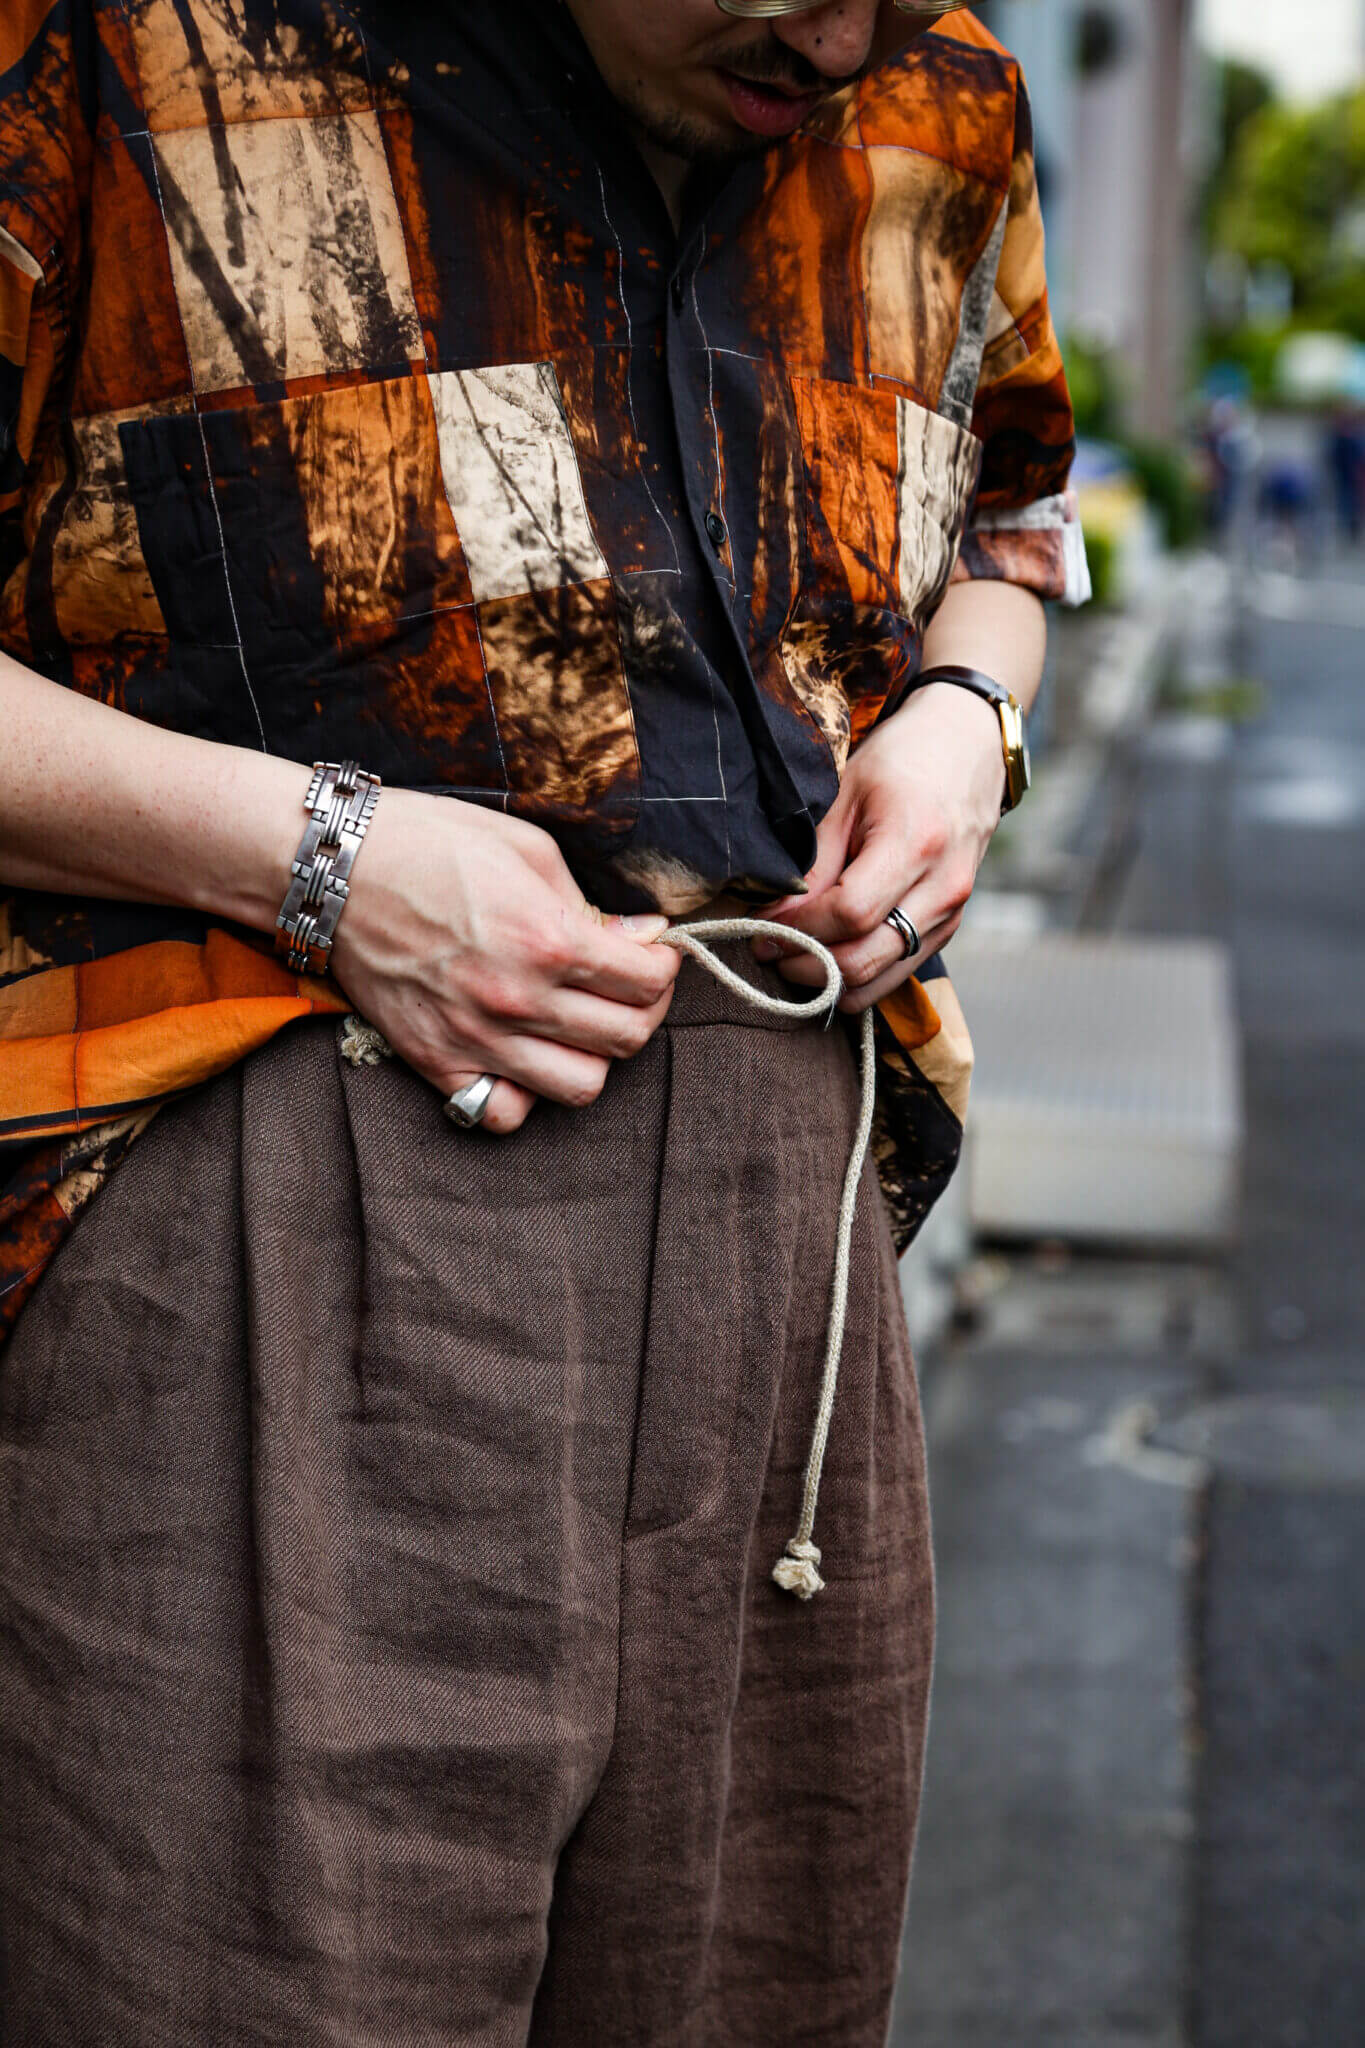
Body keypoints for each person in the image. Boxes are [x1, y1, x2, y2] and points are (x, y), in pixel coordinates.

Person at [0, 2, 1087, 2040]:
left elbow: (1014, 523)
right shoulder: (124, 44)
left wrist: (963, 712)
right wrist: (313, 856)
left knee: (758, 1986)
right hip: (273, 1207)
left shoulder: (939, 96)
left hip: (796, 1258)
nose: (840, 33)